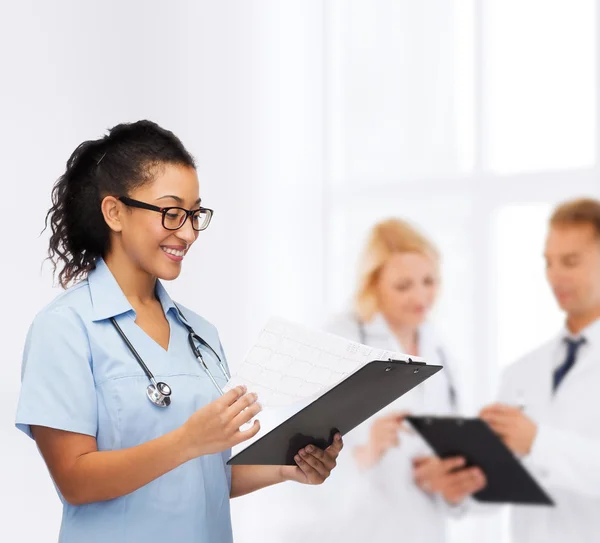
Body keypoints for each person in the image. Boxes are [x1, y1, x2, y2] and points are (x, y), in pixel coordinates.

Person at [14, 120, 343, 543]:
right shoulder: (64, 328)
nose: (187, 232)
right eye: (171, 213)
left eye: (194, 214)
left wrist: (285, 468)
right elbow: (75, 480)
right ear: (115, 212)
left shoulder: (199, 334)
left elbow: (203, 476)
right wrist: (187, 440)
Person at [231, 218, 484, 543]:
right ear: (373, 283)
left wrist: (442, 477)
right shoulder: (341, 340)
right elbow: (294, 449)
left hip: (422, 527)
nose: (420, 296)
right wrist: (368, 450)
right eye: (403, 286)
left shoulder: (440, 350)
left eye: (429, 281)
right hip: (351, 528)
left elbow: (450, 448)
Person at [477, 198, 600, 542]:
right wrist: (466, 479)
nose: (555, 276)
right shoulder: (521, 371)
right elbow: (503, 486)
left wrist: (538, 441)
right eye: (549, 262)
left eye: (571, 261)